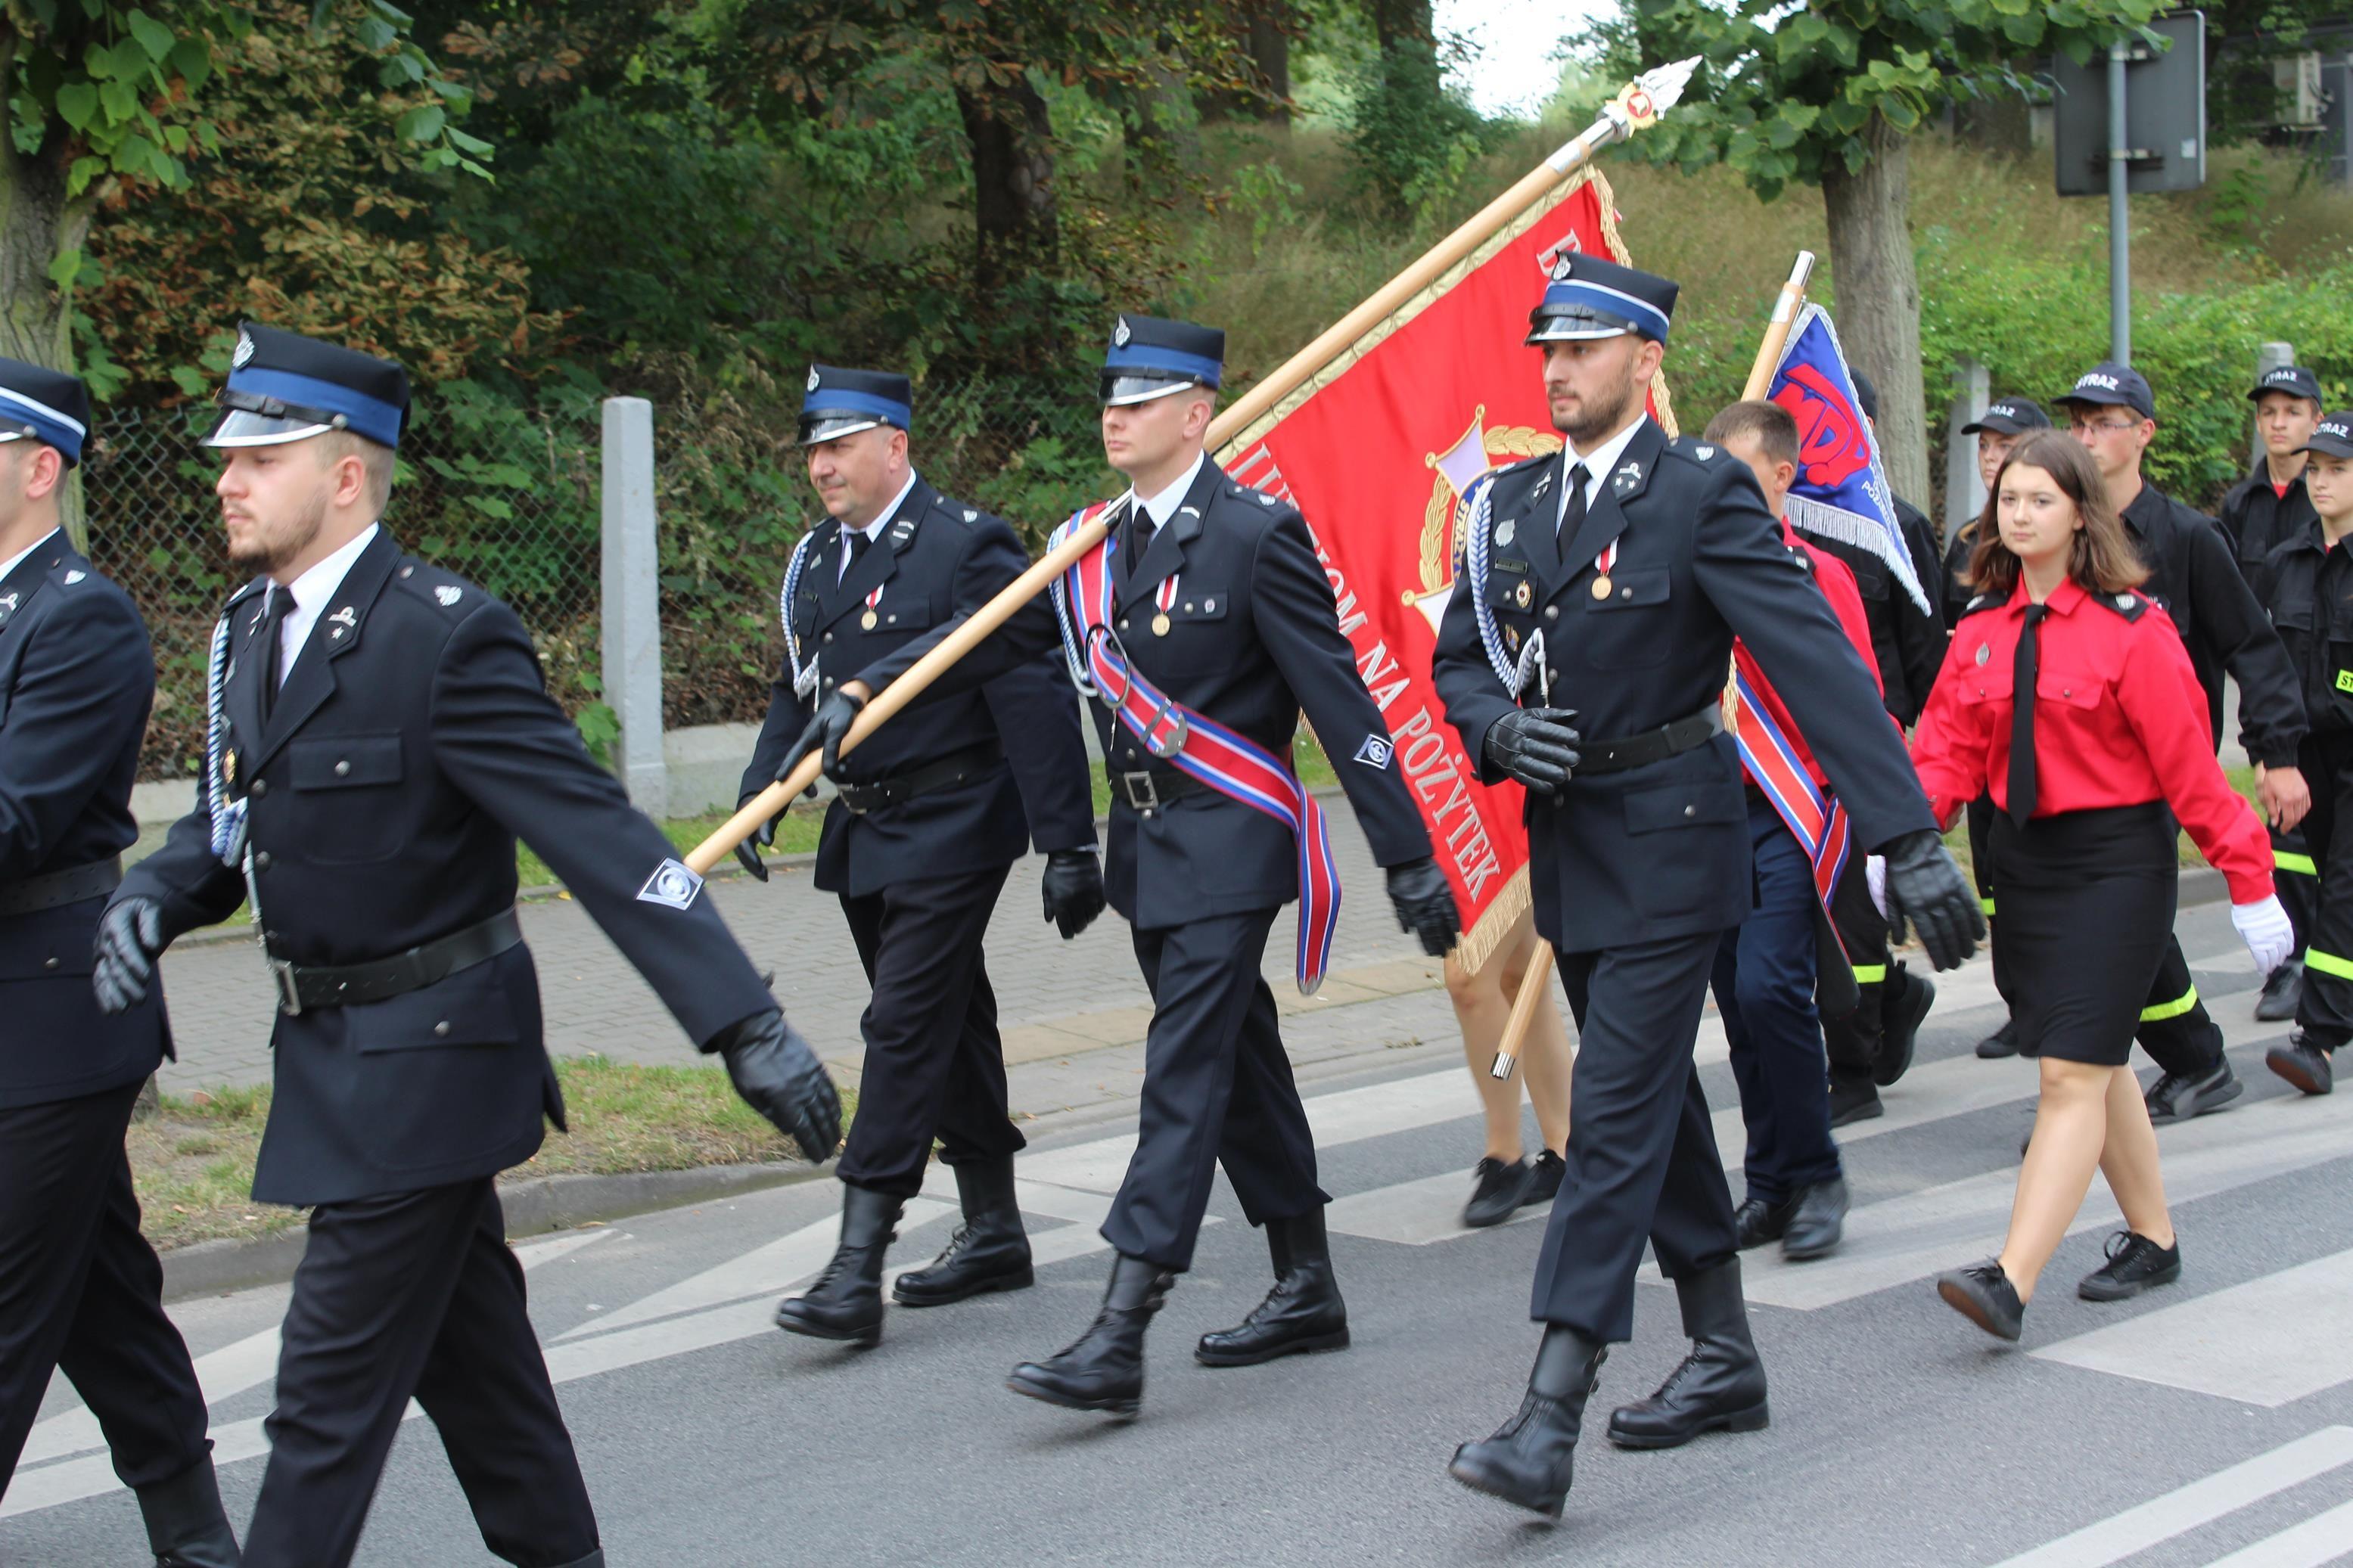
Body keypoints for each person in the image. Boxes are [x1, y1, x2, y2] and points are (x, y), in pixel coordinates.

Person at [92, 324, 842, 1568]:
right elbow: (239, 828)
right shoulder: (254, 629)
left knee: (321, 1408)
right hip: (337, 1062)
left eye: (263, 455)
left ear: (345, 475)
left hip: (430, 1067)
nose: (228, 477)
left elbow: (600, 836)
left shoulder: (443, 635)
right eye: (229, 453)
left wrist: (742, 1020)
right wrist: (151, 898)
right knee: (487, 1388)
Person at [791, 313, 1462, 1417]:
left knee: (1182, 1074)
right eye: (1111, 393)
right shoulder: (1094, 543)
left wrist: (1407, 857)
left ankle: (1119, 1326)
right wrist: (870, 687)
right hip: (1146, 848)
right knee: (1238, 1058)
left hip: (1232, 839)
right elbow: (989, 638)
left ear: (1197, 416)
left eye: (1143, 398)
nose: (1116, 412)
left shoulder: (1256, 536)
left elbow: (1351, 715)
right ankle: (1305, 1281)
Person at [1430, 255, 1980, 1520]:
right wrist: (1499, 735)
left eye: (1584, 348)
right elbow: (1461, 662)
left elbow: (1816, 659)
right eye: (1547, 351)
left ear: (1645, 360)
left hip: (1683, 839)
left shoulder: (1701, 495)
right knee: (1660, 1100)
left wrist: (1909, 833)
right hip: (1576, 847)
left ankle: (1551, 1403)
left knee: (1613, 1108)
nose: (1559, 369)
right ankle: (1725, 1352)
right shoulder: (1505, 508)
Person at [738, 366, 1101, 1349]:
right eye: (812, 450)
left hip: (954, 817)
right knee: (948, 1016)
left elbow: (1027, 688)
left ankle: (857, 1257)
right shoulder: (816, 560)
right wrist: (763, 788)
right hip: (865, 826)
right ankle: (993, 1227)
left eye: (840, 446)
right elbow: (799, 682)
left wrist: (1068, 840)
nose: (821, 467)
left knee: (899, 1021)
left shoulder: (963, 544)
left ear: (894, 445)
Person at [1920, 431, 2289, 1340]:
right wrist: (1893, 844)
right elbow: (1942, 755)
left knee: (2065, 1076)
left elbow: (2193, 775)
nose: (2017, 513)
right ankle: (2153, 1239)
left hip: (2118, 866)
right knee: (2096, 1060)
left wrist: (2250, 884)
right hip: (2028, 868)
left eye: (2038, 499)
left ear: (2079, 513)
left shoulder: (2134, 631)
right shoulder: (1978, 634)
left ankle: (2010, 1277)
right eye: (2007, 499)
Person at [0, 360, 239, 1564]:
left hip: (50, 1009)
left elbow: (19, 818)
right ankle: (196, 1536)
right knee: (98, 1296)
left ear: (39, 467)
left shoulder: (78, 615)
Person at [2053, 361, 2308, 1125]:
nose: (2086, 436)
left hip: (2161, 770)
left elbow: (2252, 650)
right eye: (2077, 423)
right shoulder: (2063, 530)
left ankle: (2191, 1060)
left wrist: (2276, 753)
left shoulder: (2189, 537)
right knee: (2093, 923)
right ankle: (2185, 1059)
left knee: (2124, 921)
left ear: (2143, 434)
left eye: (2102, 422)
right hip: (2071, 764)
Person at [1702, 398, 1895, 1257]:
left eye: (1736, 478)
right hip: (1703, 810)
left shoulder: (1818, 575)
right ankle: (1770, 1180)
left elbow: (1852, 700)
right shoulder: (1689, 572)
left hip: (1791, 807)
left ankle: (1818, 1173)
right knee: (1736, 1007)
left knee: (1768, 988)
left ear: (1781, 478)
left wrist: (1884, 824)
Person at [1944, 397, 2053, 1061]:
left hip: (2042, 764)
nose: (1991, 457)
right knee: (1995, 882)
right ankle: (2020, 1004)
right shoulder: (1965, 542)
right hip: (1982, 749)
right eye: (1984, 447)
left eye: (2004, 446)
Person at [2250, 408, 2353, 1098]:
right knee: (2321, 880)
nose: (2320, 481)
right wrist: (2264, 750)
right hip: (2303, 754)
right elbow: (2261, 665)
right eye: (2314, 468)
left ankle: (2316, 1036)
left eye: (2337, 470)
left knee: (2345, 885)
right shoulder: (2285, 563)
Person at [2224, 365, 2327, 1024]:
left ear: (2317, 419)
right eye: (2269, 412)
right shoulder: (2242, 503)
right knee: (2286, 831)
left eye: (2292, 410)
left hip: (2330, 682)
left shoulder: (2333, 491)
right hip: (2271, 685)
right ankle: (2294, 959)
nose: (2279, 422)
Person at [1446, 906, 1571, 1228]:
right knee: (1518, 978)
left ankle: (1505, 1154)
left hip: (1509, 854)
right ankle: (1568, 1147)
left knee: (1468, 976)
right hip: (1459, 853)